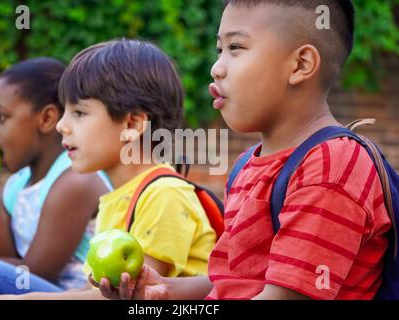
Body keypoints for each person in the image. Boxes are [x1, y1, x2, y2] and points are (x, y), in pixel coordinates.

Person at [97, 0, 392, 300]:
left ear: (301, 65)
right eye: (219, 50)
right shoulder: (246, 165)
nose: (216, 68)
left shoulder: (331, 165)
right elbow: (231, 282)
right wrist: (162, 290)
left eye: (235, 47)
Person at [0, 39, 217, 300]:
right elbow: (93, 290)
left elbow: (136, 294)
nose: (62, 125)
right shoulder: (115, 198)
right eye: (65, 112)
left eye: (79, 113)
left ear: (132, 123)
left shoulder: (164, 194)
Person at [0, 58, 112, 299]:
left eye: (1, 117)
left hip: (69, 294)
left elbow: (33, 274)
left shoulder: (75, 180)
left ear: (46, 119)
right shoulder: (18, 183)